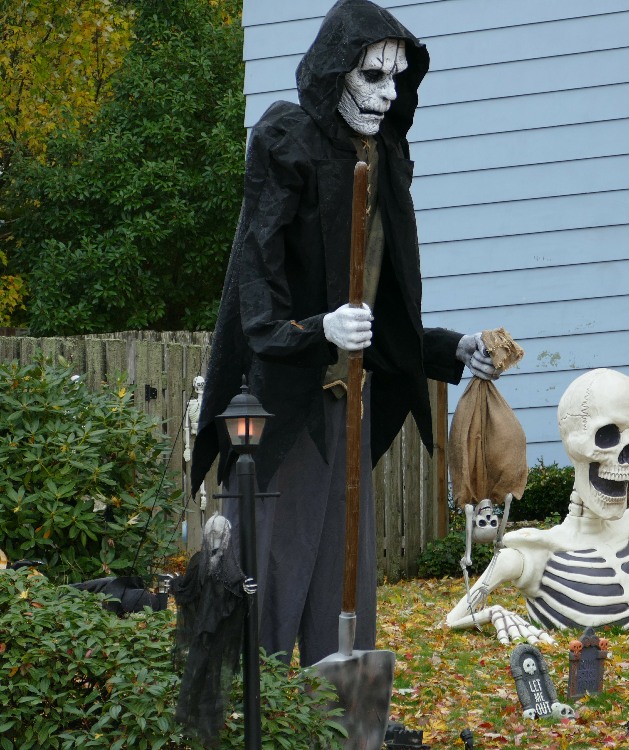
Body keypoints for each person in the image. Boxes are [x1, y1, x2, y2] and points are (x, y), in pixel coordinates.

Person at [190, 0, 496, 667]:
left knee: (342, 578)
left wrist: (449, 349)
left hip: (346, 403)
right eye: (372, 76)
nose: (387, 94)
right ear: (335, 73)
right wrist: (317, 328)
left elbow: (381, 301)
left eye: (397, 79)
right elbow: (257, 285)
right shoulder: (287, 140)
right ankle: (258, 713)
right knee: (269, 566)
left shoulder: (384, 156)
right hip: (280, 404)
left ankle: (335, 721)